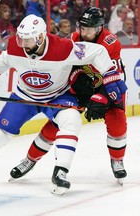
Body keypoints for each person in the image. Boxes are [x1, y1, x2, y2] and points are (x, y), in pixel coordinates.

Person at [0, 14, 127, 195]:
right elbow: (4, 60)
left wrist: (109, 74)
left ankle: (61, 172)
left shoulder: (63, 48)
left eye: (27, 40)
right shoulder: (15, 46)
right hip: (24, 96)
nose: (22, 44)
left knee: (72, 120)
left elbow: (97, 52)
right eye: (21, 38)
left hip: (57, 97)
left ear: (41, 37)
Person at [9, 7, 128, 186]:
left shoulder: (111, 43)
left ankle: (117, 160)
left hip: (108, 86)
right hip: (82, 88)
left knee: (117, 121)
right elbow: (64, 67)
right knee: (57, 122)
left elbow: (114, 76)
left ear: (100, 28)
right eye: (83, 28)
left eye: (91, 29)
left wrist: (102, 98)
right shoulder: (72, 39)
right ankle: (30, 159)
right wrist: (75, 79)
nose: (85, 33)